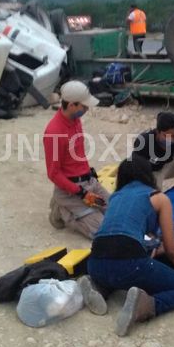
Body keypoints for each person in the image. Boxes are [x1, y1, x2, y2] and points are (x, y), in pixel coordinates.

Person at [81, 157, 174, 336]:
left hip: (94, 262)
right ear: (147, 175)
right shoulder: (159, 198)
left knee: (117, 269)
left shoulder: (115, 197)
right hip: (128, 262)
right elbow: (171, 247)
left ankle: (99, 287)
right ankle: (147, 305)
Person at [43, 80, 110, 239]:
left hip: (88, 182)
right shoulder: (54, 132)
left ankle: (66, 204)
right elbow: (54, 174)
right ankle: (61, 208)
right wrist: (80, 192)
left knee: (119, 214)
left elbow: (76, 153)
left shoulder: (75, 119)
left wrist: (89, 177)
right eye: (84, 106)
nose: (87, 109)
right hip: (71, 191)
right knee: (105, 234)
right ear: (72, 105)